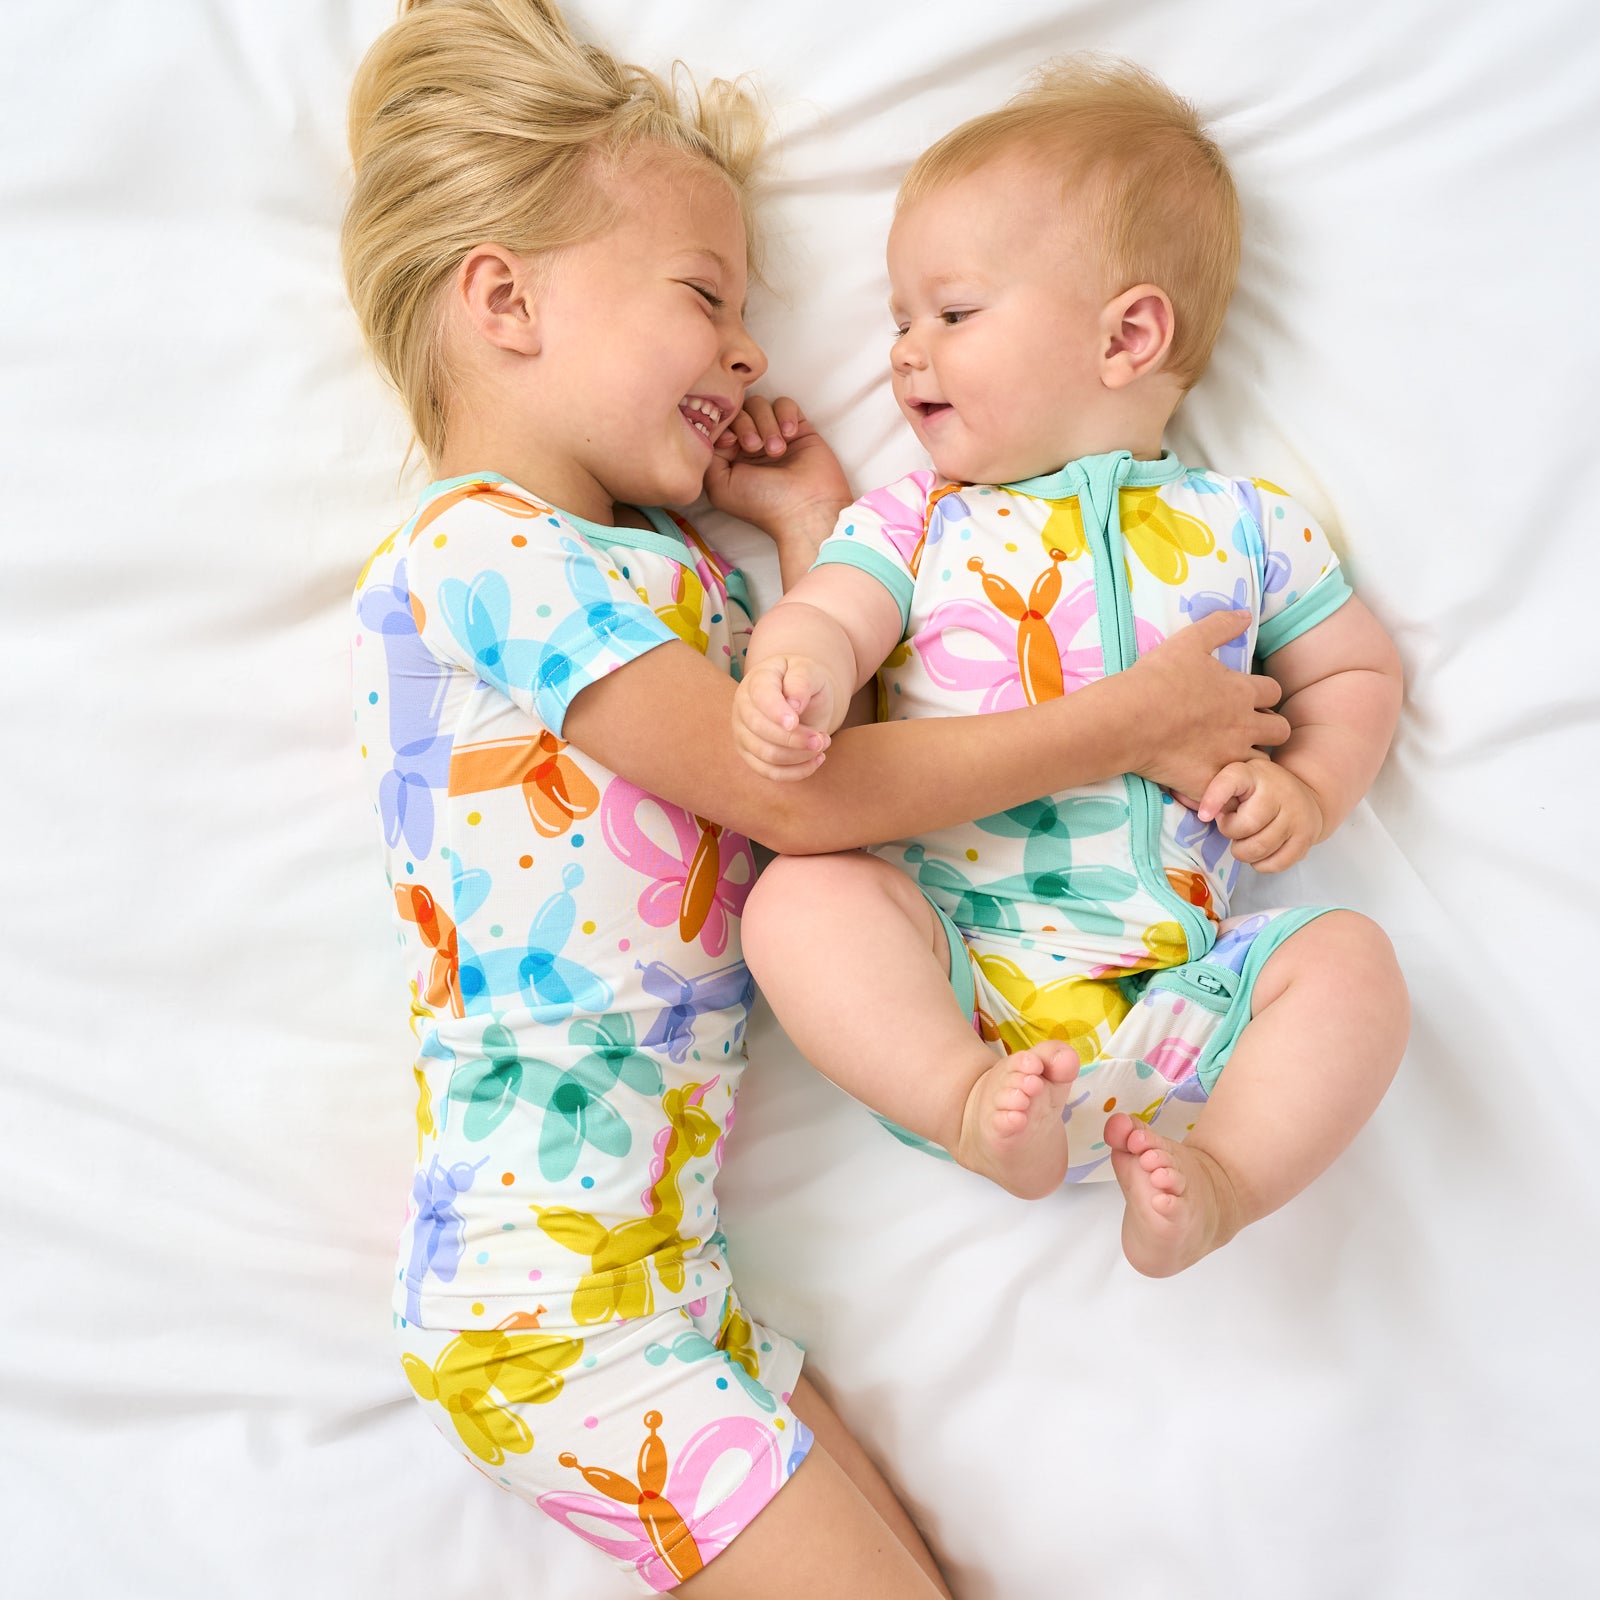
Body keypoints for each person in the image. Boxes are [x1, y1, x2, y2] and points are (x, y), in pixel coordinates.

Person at [344, 7, 1291, 1595]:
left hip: (662, 1281)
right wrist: (1127, 721)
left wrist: (807, 533)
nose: (749, 353)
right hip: (547, 1310)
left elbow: (821, 768)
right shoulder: (481, 552)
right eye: (704, 295)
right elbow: (804, 802)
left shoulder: (657, 575)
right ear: (504, 301)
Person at [732, 56, 1409, 1281]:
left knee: (1350, 963)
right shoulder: (917, 521)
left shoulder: (1246, 528)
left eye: (951, 313)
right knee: (798, 900)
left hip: (1181, 994)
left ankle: (1219, 1178)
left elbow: (1354, 673)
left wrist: (1310, 788)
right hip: (952, 973)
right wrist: (796, 673)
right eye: (896, 320)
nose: (905, 353)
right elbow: (830, 614)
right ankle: (961, 1103)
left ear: (1126, 336)